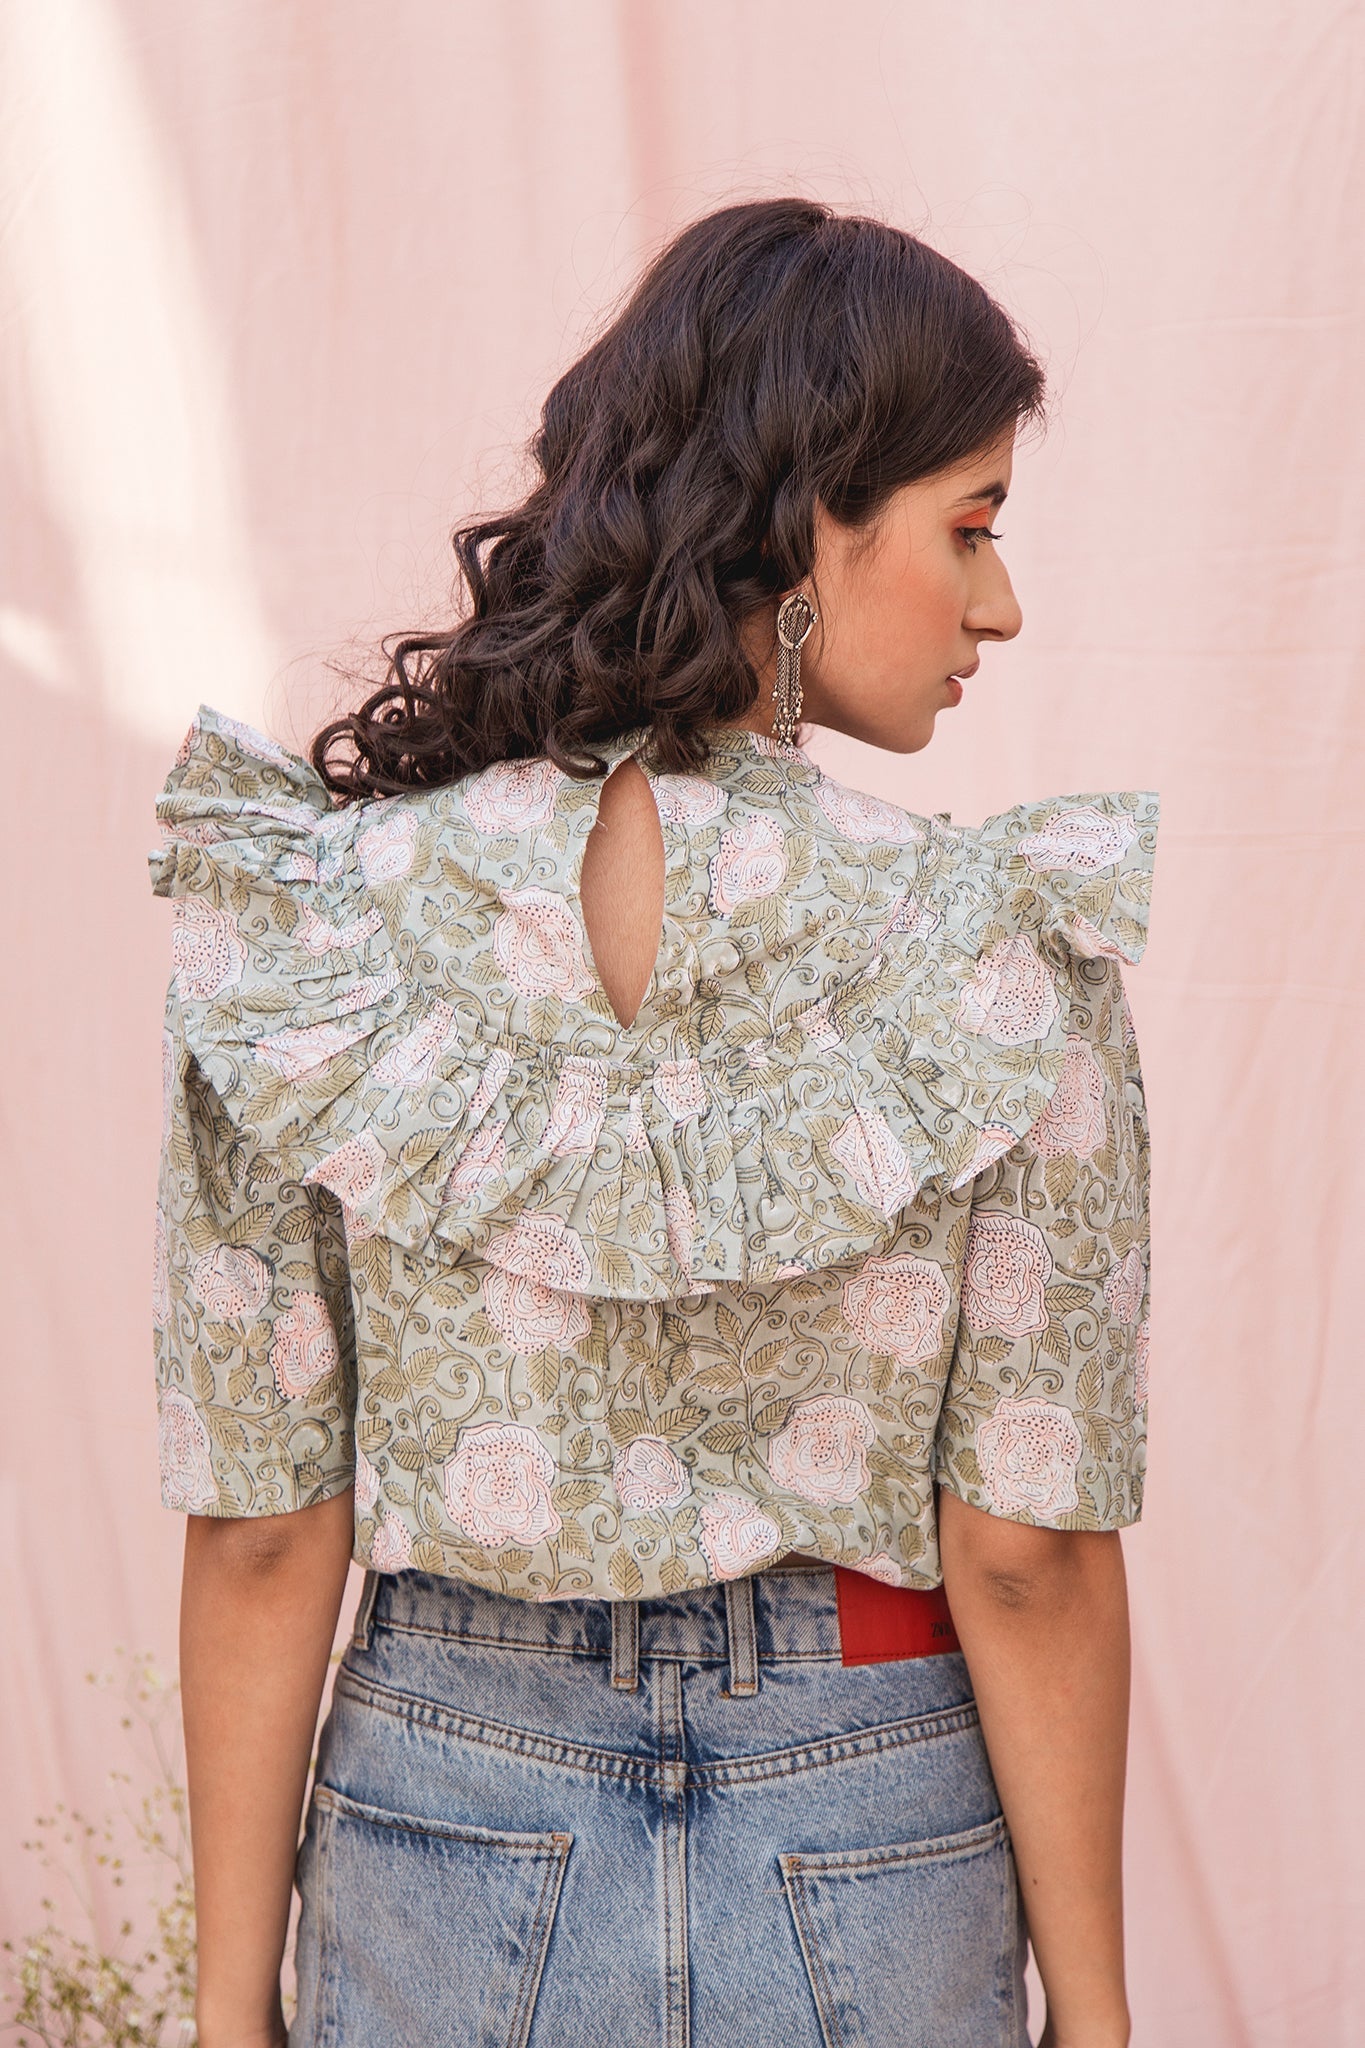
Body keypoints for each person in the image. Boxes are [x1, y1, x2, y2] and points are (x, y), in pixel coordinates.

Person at [150, 198, 1155, 2048]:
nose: (997, 604)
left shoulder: (309, 934)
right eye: (970, 524)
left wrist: (226, 2014)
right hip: (867, 1809)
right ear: (812, 518)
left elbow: (267, 1529)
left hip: (446, 1791)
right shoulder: (999, 950)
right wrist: (1093, 2018)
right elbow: (1024, 1551)